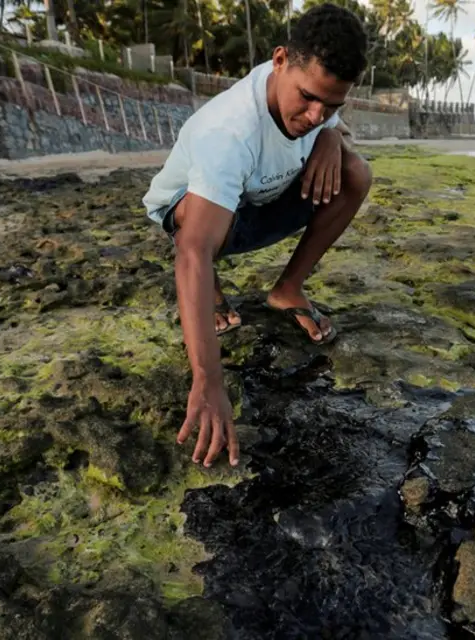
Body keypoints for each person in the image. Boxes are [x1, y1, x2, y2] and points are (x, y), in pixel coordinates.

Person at [142, 3, 372, 470]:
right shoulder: (229, 132)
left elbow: (326, 116)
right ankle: (212, 294)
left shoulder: (317, 103)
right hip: (193, 214)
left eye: (332, 104)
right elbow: (193, 251)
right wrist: (208, 380)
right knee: (198, 230)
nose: (314, 114)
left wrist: (333, 136)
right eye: (308, 99)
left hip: (260, 199)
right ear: (280, 59)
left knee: (355, 174)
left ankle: (287, 289)